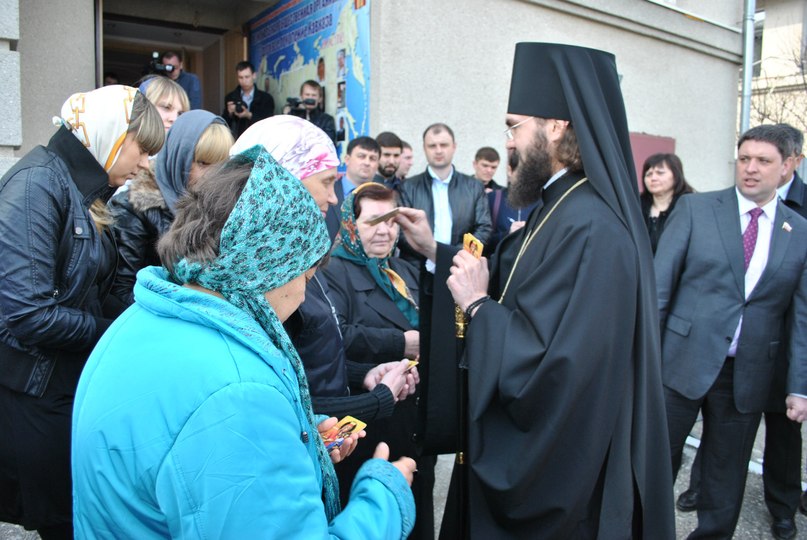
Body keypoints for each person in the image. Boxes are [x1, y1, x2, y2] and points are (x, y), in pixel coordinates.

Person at [396, 42, 675, 538]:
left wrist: (479, 308)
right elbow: (506, 269)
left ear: (556, 126)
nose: (508, 142)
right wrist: (435, 252)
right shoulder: (558, 204)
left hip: (564, 478)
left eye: (513, 125)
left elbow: (561, 365)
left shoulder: (593, 227)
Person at [71, 146, 417, 539]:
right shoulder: (239, 394)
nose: (305, 293)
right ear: (267, 268)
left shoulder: (145, 316)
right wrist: (384, 498)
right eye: (305, 273)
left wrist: (295, 437)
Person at [0, 85, 164, 539]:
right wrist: (113, 333)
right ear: (113, 134)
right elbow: (28, 314)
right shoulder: (36, 184)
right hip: (37, 392)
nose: (145, 163)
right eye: (142, 148)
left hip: (64, 384)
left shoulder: (79, 187)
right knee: (63, 522)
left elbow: (97, 288)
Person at [656, 124, 807, 539]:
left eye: (764, 161)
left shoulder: (801, 233)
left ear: (789, 165)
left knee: (725, 476)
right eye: (744, 159)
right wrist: (644, 357)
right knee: (654, 462)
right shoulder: (696, 210)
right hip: (678, 364)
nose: (751, 169)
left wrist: (799, 387)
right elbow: (659, 289)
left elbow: (801, 318)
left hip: (747, 374)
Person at [228, 115, 418, 434]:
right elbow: (284, 403)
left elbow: (317, 360)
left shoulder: (297, 257)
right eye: (327, 182)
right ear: (287, 179)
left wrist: (362, 376)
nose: (334, 197)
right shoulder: (259, 276)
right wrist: (379, 399)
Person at [323, 183, 434, 540]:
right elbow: (340, 336)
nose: (386, 230)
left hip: (415, 415)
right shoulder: (333, 270)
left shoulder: (403, 269)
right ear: (352, 226)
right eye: (374, 222)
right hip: (371, 419)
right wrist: (402, 342)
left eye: (391, 220)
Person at [108, 110, 234, 308]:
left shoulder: (221, 206)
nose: (213, 175)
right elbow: (121, 291)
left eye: (221, 165)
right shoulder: (134, 207)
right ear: (179, 158)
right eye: (203, 163)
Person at [400, 123, 492, 267]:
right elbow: (402, 232)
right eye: (432, 146)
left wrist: (455, 257)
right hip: (418, 272)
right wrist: (429, 253)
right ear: (424, 148)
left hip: (461, 269)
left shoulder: (474, 187)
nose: (438, 150)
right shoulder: (408, 187)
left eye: (444, 145)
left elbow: (483, 228)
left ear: (454, 147)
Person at [325, 136, 380, 239]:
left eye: (372, 158)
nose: (367, 163)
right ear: (347, 159)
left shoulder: (382, 197)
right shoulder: (326, 192)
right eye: (361, 156)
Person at [640, 153, 693, 253]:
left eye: (660, 173)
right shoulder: (636, 207)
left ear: (676, 175)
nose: (653, 178)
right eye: (648, 174)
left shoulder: (690, 207)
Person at [222, 61, 275, 138]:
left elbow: (269, 123)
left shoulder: (266, 98)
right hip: (237, 139)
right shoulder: (230, 97)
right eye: (240, 77)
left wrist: (249, 115)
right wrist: (229, 113)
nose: (244, 81)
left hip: (259, 138)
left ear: (254, 75)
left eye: (247, 77)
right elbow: (224, 125)